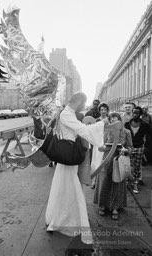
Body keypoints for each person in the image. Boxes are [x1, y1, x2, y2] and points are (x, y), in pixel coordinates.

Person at [45, 92, 109, 246]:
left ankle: (61, 218)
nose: (83, 106)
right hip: (69, 157)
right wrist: (102, 123)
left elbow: (81, 130)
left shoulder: (68, 113)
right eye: (83, 103)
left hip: (67, 157)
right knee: (70, 189)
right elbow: (84, 131)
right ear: (79, 101)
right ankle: (68, 220)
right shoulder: (67, 114)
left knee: (64, 189)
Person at [93, 112, 133, 220]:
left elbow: (131, 148)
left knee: (117, 183)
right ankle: (102, 205)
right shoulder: (106, 131)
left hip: (119, 160)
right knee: (104, 181)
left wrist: (126, 150)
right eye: (111, 119)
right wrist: (101, 148)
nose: (113, 120)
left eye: (115, 118)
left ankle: (115, 208)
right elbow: (100, 146)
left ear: (120, 120)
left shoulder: (126, 132)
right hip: (106, 159)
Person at [125, 106, 151, 193]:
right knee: (128, 165)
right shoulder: (127, 124)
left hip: (139, 147)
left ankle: (135, 183)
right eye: (134, 112)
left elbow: (150, 135)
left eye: (137, 113)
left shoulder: (145, 125)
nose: (135, 114)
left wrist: (146, 145)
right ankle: (127, 181)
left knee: (137, 166)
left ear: (140, 114)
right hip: (129, 147)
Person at [91, 102, 110, 189]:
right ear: (99, 111)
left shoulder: (110, 119)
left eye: (105, 109)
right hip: (98, 142)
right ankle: (94, 180)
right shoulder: (97, 120)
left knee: (105, 161)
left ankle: (103, 182)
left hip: (106, 142)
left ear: (107, 110)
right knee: (96, 161)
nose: (103, 111)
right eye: (101, 110)